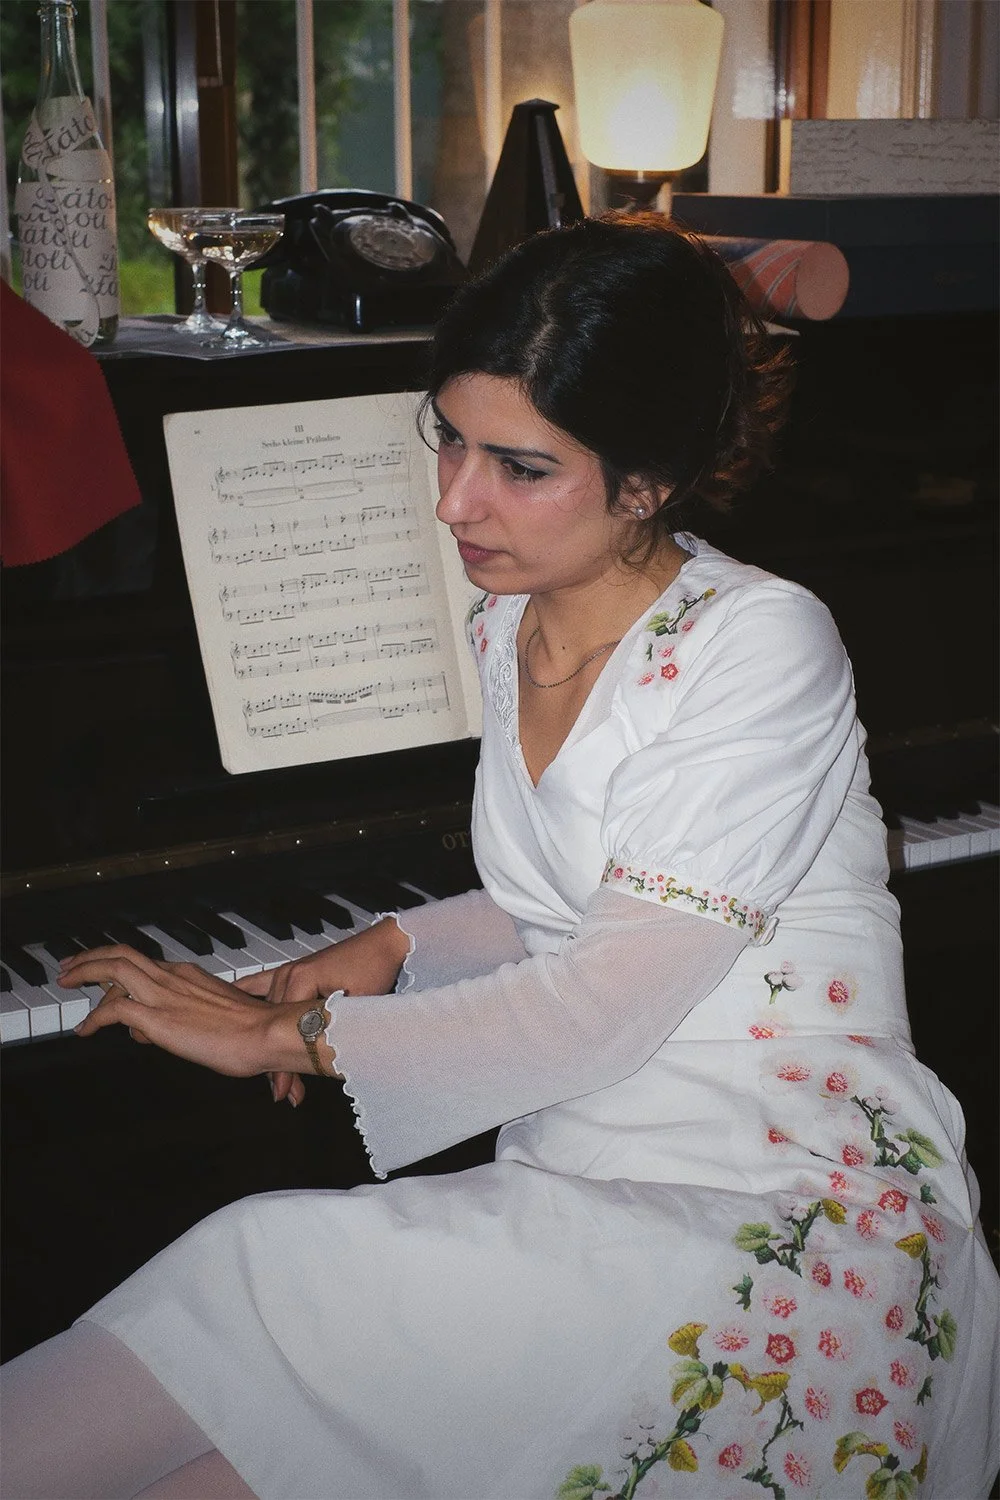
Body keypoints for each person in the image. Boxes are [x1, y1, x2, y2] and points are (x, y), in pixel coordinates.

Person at [2, 212, 997, 1500]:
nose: (456, 501)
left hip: (785, 1203)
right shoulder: (509, 615)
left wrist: (271, 1038)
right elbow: (577, 896)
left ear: (647, 478)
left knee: (255, 1271)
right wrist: (377, 948)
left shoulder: (761, 641)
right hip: (591, 1168)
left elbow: (600, 998)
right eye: (449, 437)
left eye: (519, 467)